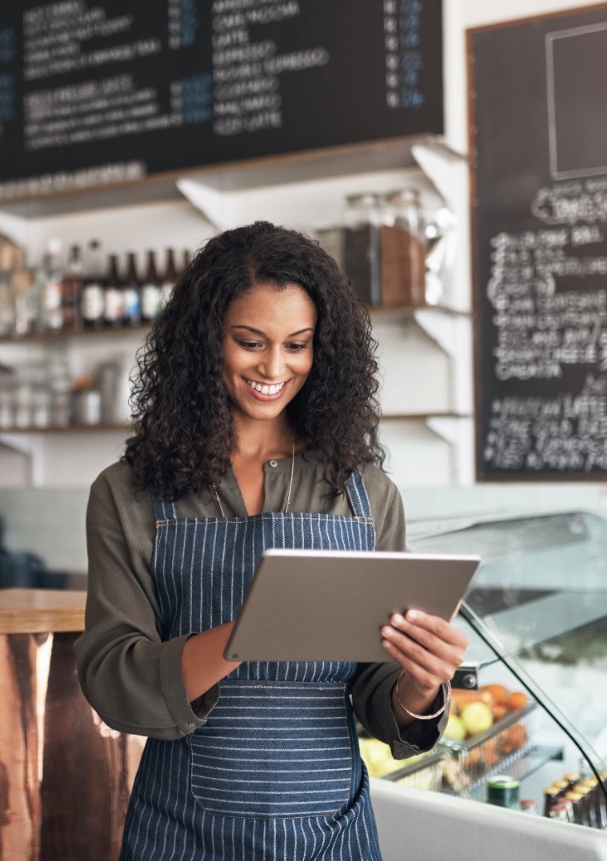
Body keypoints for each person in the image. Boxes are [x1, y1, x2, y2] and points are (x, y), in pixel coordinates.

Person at [75, 222, 468, 860]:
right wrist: (250, 630)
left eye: (298, 345)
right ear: (206, 343)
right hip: (179, 835)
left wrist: (421, 684)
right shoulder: (128, 493)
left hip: (331, 836)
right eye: (250, 342)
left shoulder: (365, 492)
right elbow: (111, 678)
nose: (274, 368)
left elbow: (379, 692)